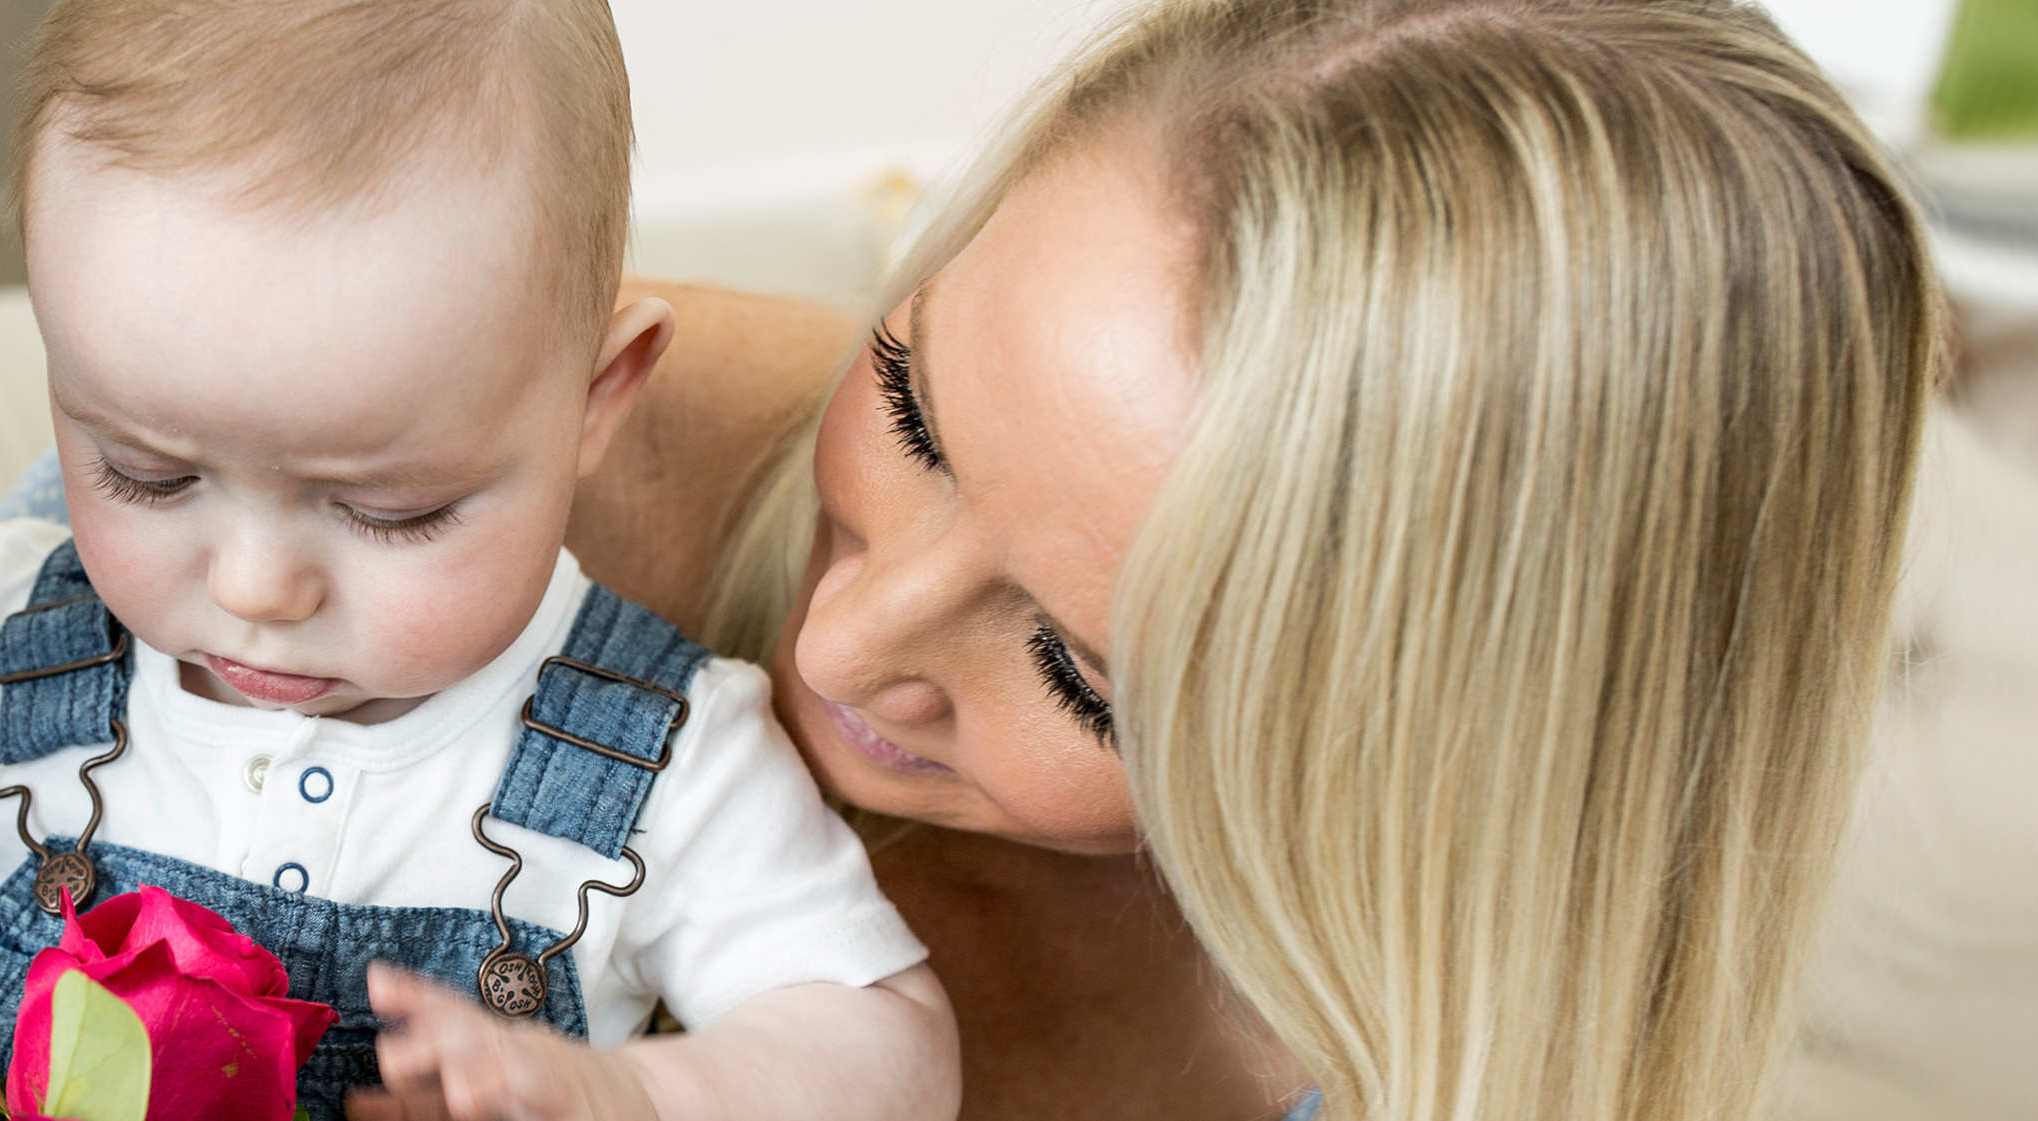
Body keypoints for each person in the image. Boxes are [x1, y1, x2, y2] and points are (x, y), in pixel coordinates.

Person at [0, 2, 960, 1120]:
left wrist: (623, 1096)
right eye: (145, 472)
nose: (252, 585)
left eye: (390, 509)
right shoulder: (17, 647)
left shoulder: (656, 757)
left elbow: (878, 1041)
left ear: (595, 403)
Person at [579, 1, 1938, 1119]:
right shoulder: (513, 452)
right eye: (910, 407)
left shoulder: (1376, 1067)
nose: (839, 643)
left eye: (1077, 670)